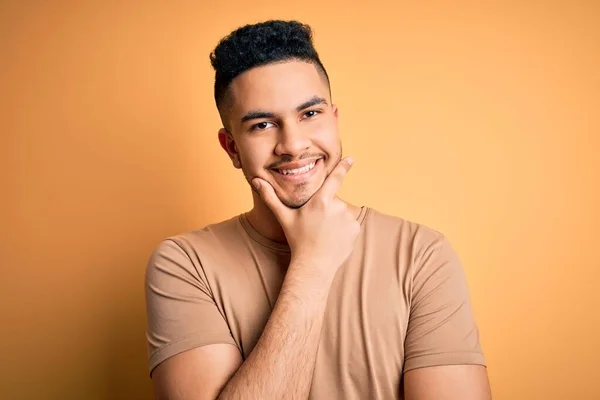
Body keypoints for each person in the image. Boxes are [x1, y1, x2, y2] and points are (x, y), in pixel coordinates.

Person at [144, 19, 491, 400]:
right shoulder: (184, 265)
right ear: (231, 148)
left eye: (310, 114)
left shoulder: (421, 255)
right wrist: (312, 264)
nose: (292, 145)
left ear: (334, 119)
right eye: (262, 125)